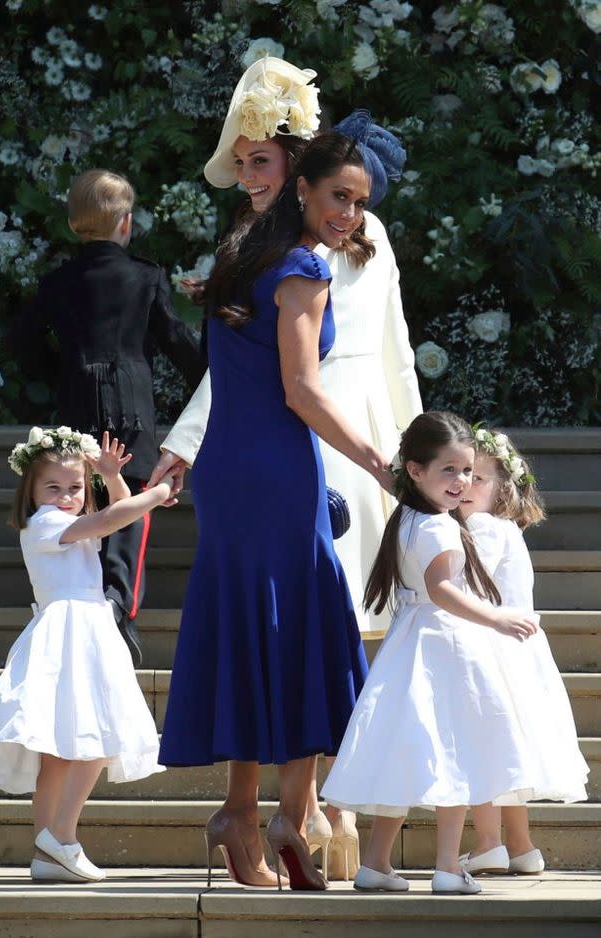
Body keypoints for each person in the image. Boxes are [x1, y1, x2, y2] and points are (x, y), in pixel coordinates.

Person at [151, 57, 421, 880]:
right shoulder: (301, 267)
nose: (349, 212)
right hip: (283, 461)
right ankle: (284, 820)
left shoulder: (241, 252)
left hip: (237, 466)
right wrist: (385, 466)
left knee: (252, 626)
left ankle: (248, 812)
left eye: (358, 201)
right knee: (304, 629)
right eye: (338, 195)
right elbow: (302, 390)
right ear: (304, 188)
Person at [321, 411, 541, 895]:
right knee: (454, 753)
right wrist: (497, 617)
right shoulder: (439, 526)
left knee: (406, 751)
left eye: (467, 471)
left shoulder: (409, 517)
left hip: (412, 642)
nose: (462, 481)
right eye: (450, 470)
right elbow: (442, 590)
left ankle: (376, 862)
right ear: (415, 471)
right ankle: (447, 866)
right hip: (447, 643)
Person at [9, 169, 200, 666]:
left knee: (81, 502)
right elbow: (177, 342)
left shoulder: (56, 281)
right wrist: (215, 371)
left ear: (76, 224)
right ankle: (118, 602)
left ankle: (90, 599)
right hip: (132, 408)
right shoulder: (145, 275)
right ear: (125, 222)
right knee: (129, 508)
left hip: (75, 407)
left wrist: (60, 373)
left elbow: (23, 345)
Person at [0, 427, 178, 883]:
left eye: (75, 488)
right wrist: (158, 491)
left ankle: (48, 854)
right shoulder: (45, 523)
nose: (65, 496)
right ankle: (61, 835)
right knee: (97, 737)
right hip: (71, 630)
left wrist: (111, 477)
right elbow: (109, 521)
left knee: (62, 754)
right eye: (53, 487)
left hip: (84, 627)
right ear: (32, 491)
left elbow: (118, 516)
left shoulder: (69, 522)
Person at [456, 427, 588, 877]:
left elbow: (464, 586)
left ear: (503, 490)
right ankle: (522, 846)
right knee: (508, 755)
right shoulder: (505, 528)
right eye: (463, 474)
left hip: (492, 650)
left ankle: (489, 842)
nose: (466, 485)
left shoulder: (482, 528)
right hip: (518, 654)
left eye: (479, 478)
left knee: (485, 749)